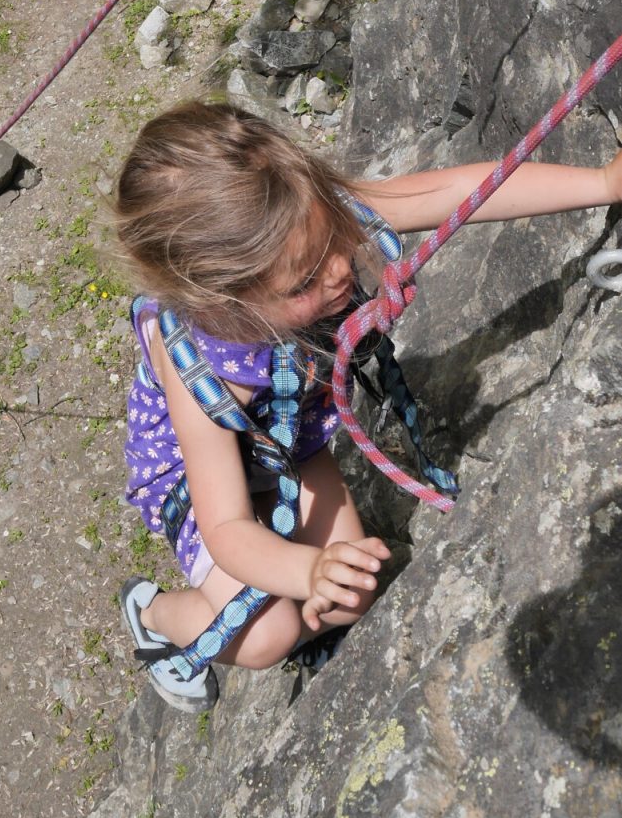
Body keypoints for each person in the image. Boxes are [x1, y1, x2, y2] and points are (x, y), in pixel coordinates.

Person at [114, 101, 622, 712]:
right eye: (305, 283)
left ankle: (290, 601)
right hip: (198, 485)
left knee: (351, 597)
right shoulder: (201, 370)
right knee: (270, 634)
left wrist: (602, 183)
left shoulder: (303, 221)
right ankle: (153, 612)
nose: (339, 269)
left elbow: (458, 192)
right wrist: (306, 572)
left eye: (334, 239)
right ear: (224, 302)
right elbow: (225, 529)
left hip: (290, 443)